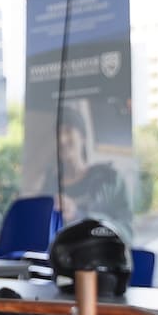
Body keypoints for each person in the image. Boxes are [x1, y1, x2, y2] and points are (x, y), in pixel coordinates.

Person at [46, 104, 133, 242]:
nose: (62, 140)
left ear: (83, 137)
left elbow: (127, 233)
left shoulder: (109, 180)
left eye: (68, 131)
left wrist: (79, 216)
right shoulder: (48, 186)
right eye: (57, 133)